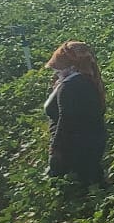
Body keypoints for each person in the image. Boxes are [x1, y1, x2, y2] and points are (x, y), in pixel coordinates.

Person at [44, 41, 108, 185]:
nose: (56, 71)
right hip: (93, 143)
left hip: (73, 148)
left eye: (59, 68)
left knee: (77, 187)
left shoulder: (69, 87)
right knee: (93, 180)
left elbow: (65, 121)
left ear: (70, 66)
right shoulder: (89, 80)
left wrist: (55, 150)